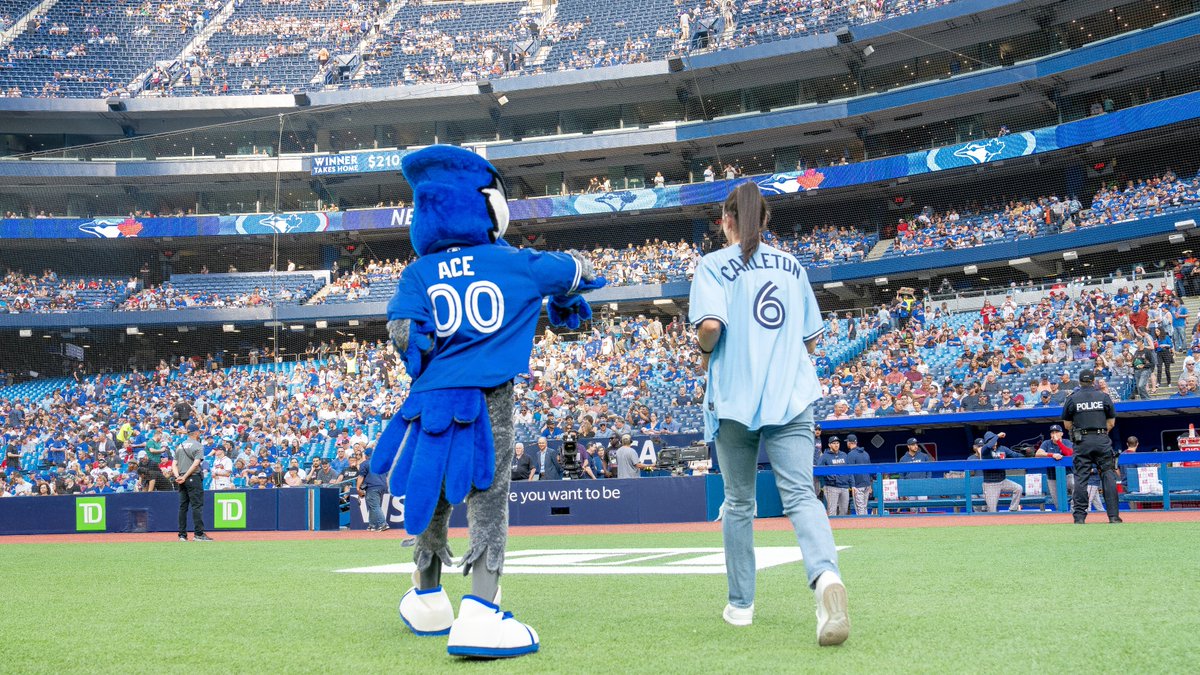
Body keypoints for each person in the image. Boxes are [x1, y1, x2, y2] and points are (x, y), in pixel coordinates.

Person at [689, 181, 848, 645]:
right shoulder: (792, 265)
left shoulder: (713, 264)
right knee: (801, 495)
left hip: (735, 398)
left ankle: (741, 606)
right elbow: (812, 339)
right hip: (791, 393)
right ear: (765, 221)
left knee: (739, 502)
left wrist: (703, 352)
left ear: (726, 220)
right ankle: (826, 580)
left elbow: (712, 328)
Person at [1061, 369, 1121, 523]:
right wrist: (1100, 433)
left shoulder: (1072, 398)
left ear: (1080, 382)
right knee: (1108, 475)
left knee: (1081, 478)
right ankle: (1113, 517)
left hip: (1082, 441)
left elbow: (1067, 425)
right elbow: (1111, 423)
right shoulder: (1103, 396)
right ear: (1093, 381)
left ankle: (1080, 517)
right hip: (1102, 439)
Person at [174, 424, 211, 541]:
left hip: (181, 479)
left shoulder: (179, 445)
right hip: (193, 477)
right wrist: (185, 476)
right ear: (196, 433)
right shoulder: (197, 445)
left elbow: (174, 464)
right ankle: (199, 534)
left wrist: (178, 477)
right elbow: (196, 464)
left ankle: (182, 535)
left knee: (182, 507)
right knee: (197, 506)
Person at [971, 434, 1024, 513]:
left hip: (1002, 481)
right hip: (990, 484)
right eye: (990, 440)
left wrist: (1028, 455)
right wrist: (997, 436)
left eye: (994, 440)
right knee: (992, 511)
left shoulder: (1002, 449)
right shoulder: (985, 450)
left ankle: (1013, 509)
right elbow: (989, 446)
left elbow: (1015, 455)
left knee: (1018, 488)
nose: (994, 442)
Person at [1035, 424, 1073, 510]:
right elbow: (1038, 454)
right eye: (1052, 432)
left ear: (1062, 434)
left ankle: (1074, 509)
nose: (1054, 434)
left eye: (1056, 432)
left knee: (1075, 486)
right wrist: (1052, 454)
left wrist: (1059, 442)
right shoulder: (1047, 443)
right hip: (1053, 476)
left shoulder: (1067, 442)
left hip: (1068, 474)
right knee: (1057, 503)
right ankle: (1062, 518)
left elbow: (1069, 453)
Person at [817, 437, 851, 516]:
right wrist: (829, 477)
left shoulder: (844, 455)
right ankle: (832, 528)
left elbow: (850, 470)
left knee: (844, 511)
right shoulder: (825, 456)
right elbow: (818, 470)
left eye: (837, 443)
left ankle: (842, 527)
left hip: (844, 486)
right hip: (831, 487)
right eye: (834, 443)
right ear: (829, 445)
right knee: (832, 511)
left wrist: (852, 484)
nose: (836, 445)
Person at [360, 451, 389, 531]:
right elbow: (387, 476)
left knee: (375, 506)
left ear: (365, 455)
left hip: (372, 486)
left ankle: (383, 524)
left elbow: (360, 477)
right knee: (373, 506)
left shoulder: (365, 463)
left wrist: (358, 488)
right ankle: (372, 525)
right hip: (382, 487)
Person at [844, 435, 872, 516]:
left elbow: (850, 471)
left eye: (847, 442)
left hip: (857, 485)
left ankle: (863, 526)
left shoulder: (851, 454)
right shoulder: (865, 453)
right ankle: (867, 525)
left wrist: (852, 485)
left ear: (849, 443)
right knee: (864, 507)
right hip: (867, 484)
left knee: (860, 508)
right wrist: (870, 484)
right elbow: (870, 469)